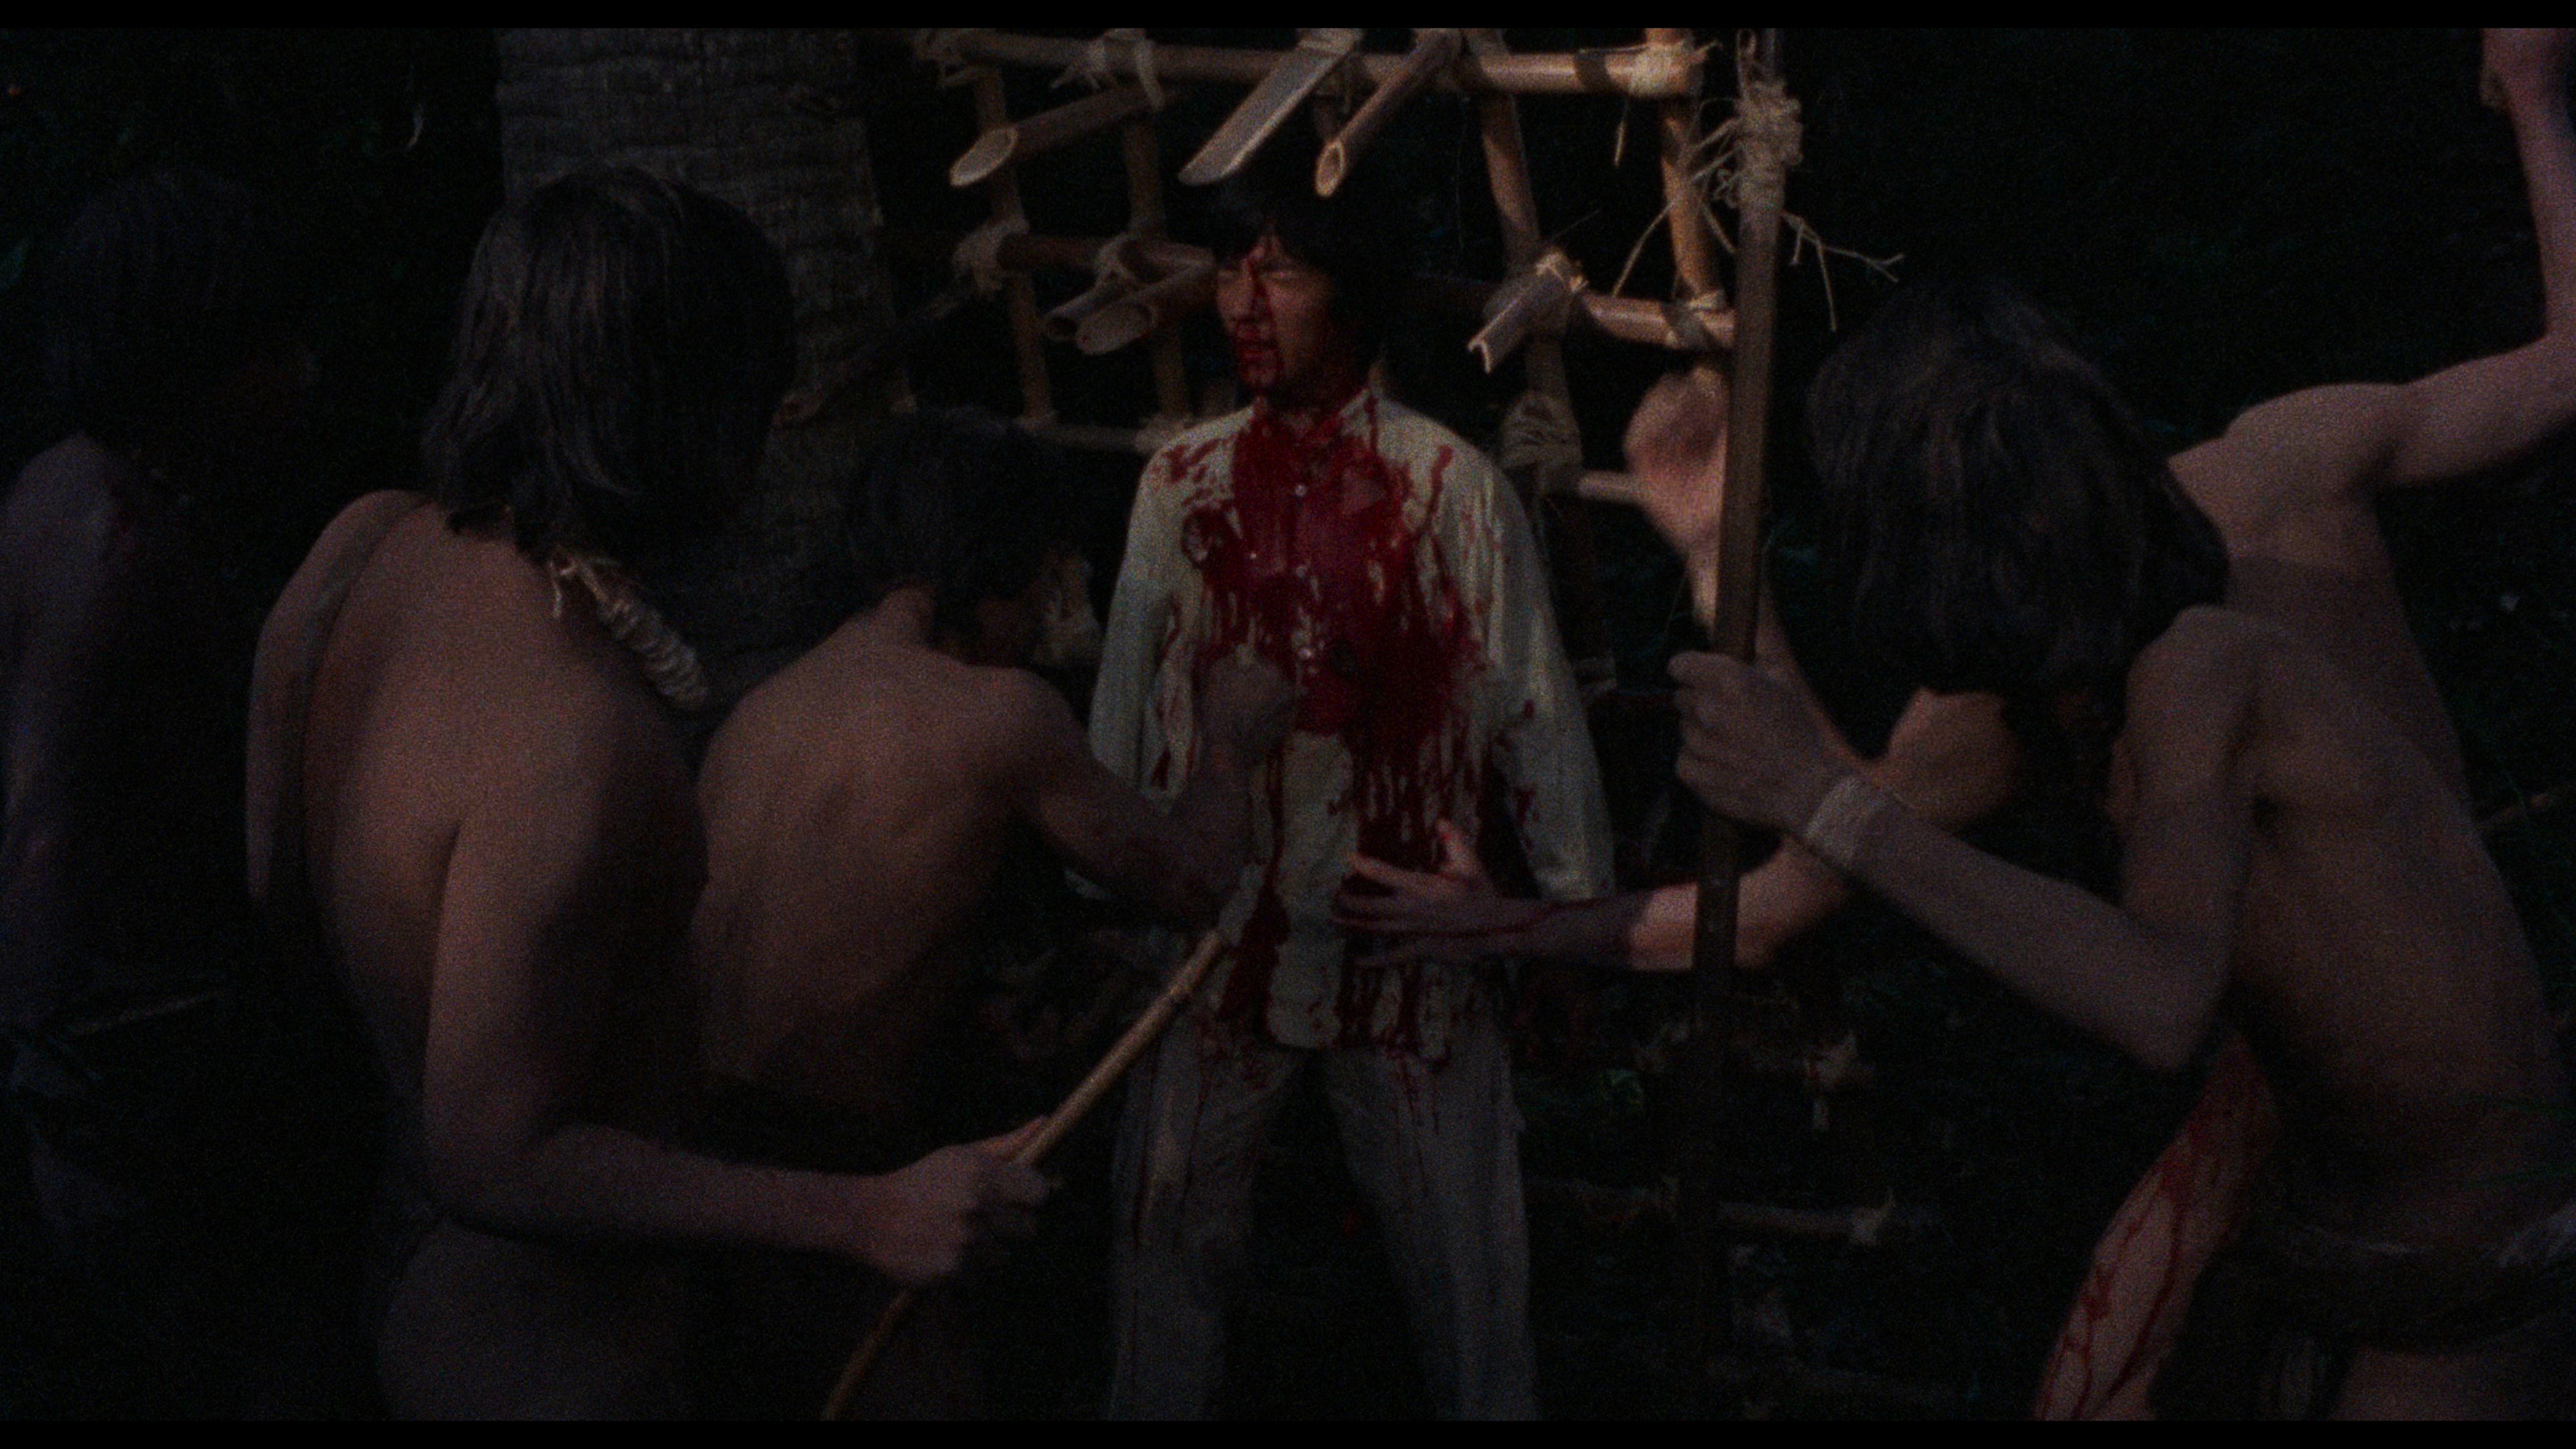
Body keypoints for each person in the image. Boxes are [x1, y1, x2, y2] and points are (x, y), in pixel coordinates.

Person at [1344, 31, 2576, 1415]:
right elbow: (1785, 896)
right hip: (2297, 1149)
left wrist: (2537, 85)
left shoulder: (2224, 632)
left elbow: (2154, 997)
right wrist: (1511, 913)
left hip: (2475, 1233)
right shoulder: (2026, 688)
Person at [245, 169, 1044, 1417]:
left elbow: (279, 899)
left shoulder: (366, 547)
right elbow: (493, 1154)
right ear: (679, 414)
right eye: (754, 393)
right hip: (549, 1339)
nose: (771, 429)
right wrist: (864, 1213)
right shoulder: (576, 741)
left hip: (407, 1272)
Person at [1085, 142, 1614, 1419]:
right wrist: (1105, 900)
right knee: (1160, 1257)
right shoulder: (1180, 484)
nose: (1243, 302)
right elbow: (1119, 713)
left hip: (1409, 954)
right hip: (1211, 950)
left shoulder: (1451, 490)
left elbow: (1537, 719)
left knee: (1469, 1289)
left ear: (1357, 293)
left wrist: (1569, 933)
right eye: (1230, 268)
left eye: (1281, 274)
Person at [687, 409, 1294, 1416]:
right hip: (831, 1171)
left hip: (696, 1158)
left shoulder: (767, 703)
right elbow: (1193, 882)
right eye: (1044, 582)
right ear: (992, 563)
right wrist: (1231, 742)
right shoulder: (995, 714)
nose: (1045, 622)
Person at [0, 168, 366, 1413]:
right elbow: (44, 863)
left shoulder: (67, 485)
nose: (305, 377)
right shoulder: (112, 547)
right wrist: (107, 1120)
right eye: (272, 347)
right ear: (189, 357)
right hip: (130, 1109)